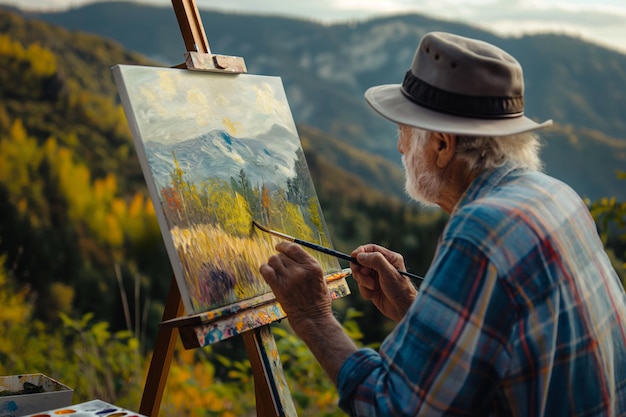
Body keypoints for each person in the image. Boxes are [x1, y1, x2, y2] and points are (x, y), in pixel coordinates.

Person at [259, 31, 626, 416]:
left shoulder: (482, 232)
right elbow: (504, 345)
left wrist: (312, 317)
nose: (400, 146)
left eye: (404, 129)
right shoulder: (555, 195)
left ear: (441, 145)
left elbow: (395, 409)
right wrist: (413, 307)